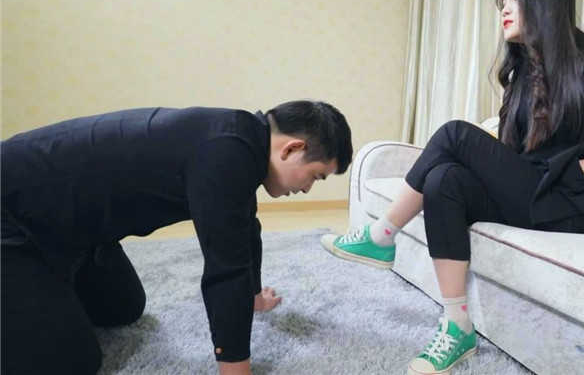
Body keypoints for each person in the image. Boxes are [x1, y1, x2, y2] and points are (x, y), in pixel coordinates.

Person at [321, 0, 584, 375]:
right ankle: (456, 326)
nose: (504, 9)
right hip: (529, 190)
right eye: (501, 1)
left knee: (454, 133)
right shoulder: (524, 71)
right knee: (443, 178)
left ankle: (381, 234)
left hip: (568, 203)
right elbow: (518, 154)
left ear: (546, 0)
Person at [1, 101, 353, 375]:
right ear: (291, 149)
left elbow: (246, 228)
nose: (307, 189)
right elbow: (226, 271)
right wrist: (235, 369)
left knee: (124, 307)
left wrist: (253, 296)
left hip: (73, 232)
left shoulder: (240, 141)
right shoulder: (226, 154)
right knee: (71, 361)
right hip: (13, 219)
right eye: (315, 176)